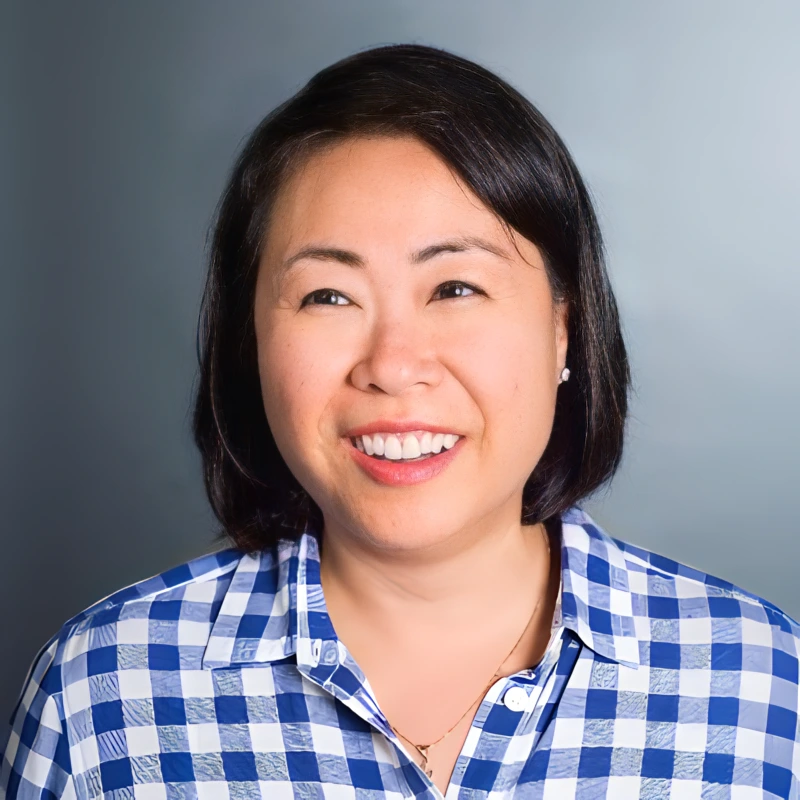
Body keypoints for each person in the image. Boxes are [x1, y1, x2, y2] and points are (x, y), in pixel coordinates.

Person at [2, 43, 798, 800]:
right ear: (251, 344)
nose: (391, 363)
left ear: (564, 328)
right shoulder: (103, 697)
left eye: (454, 288)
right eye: (328, 296)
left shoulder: (763, 690)